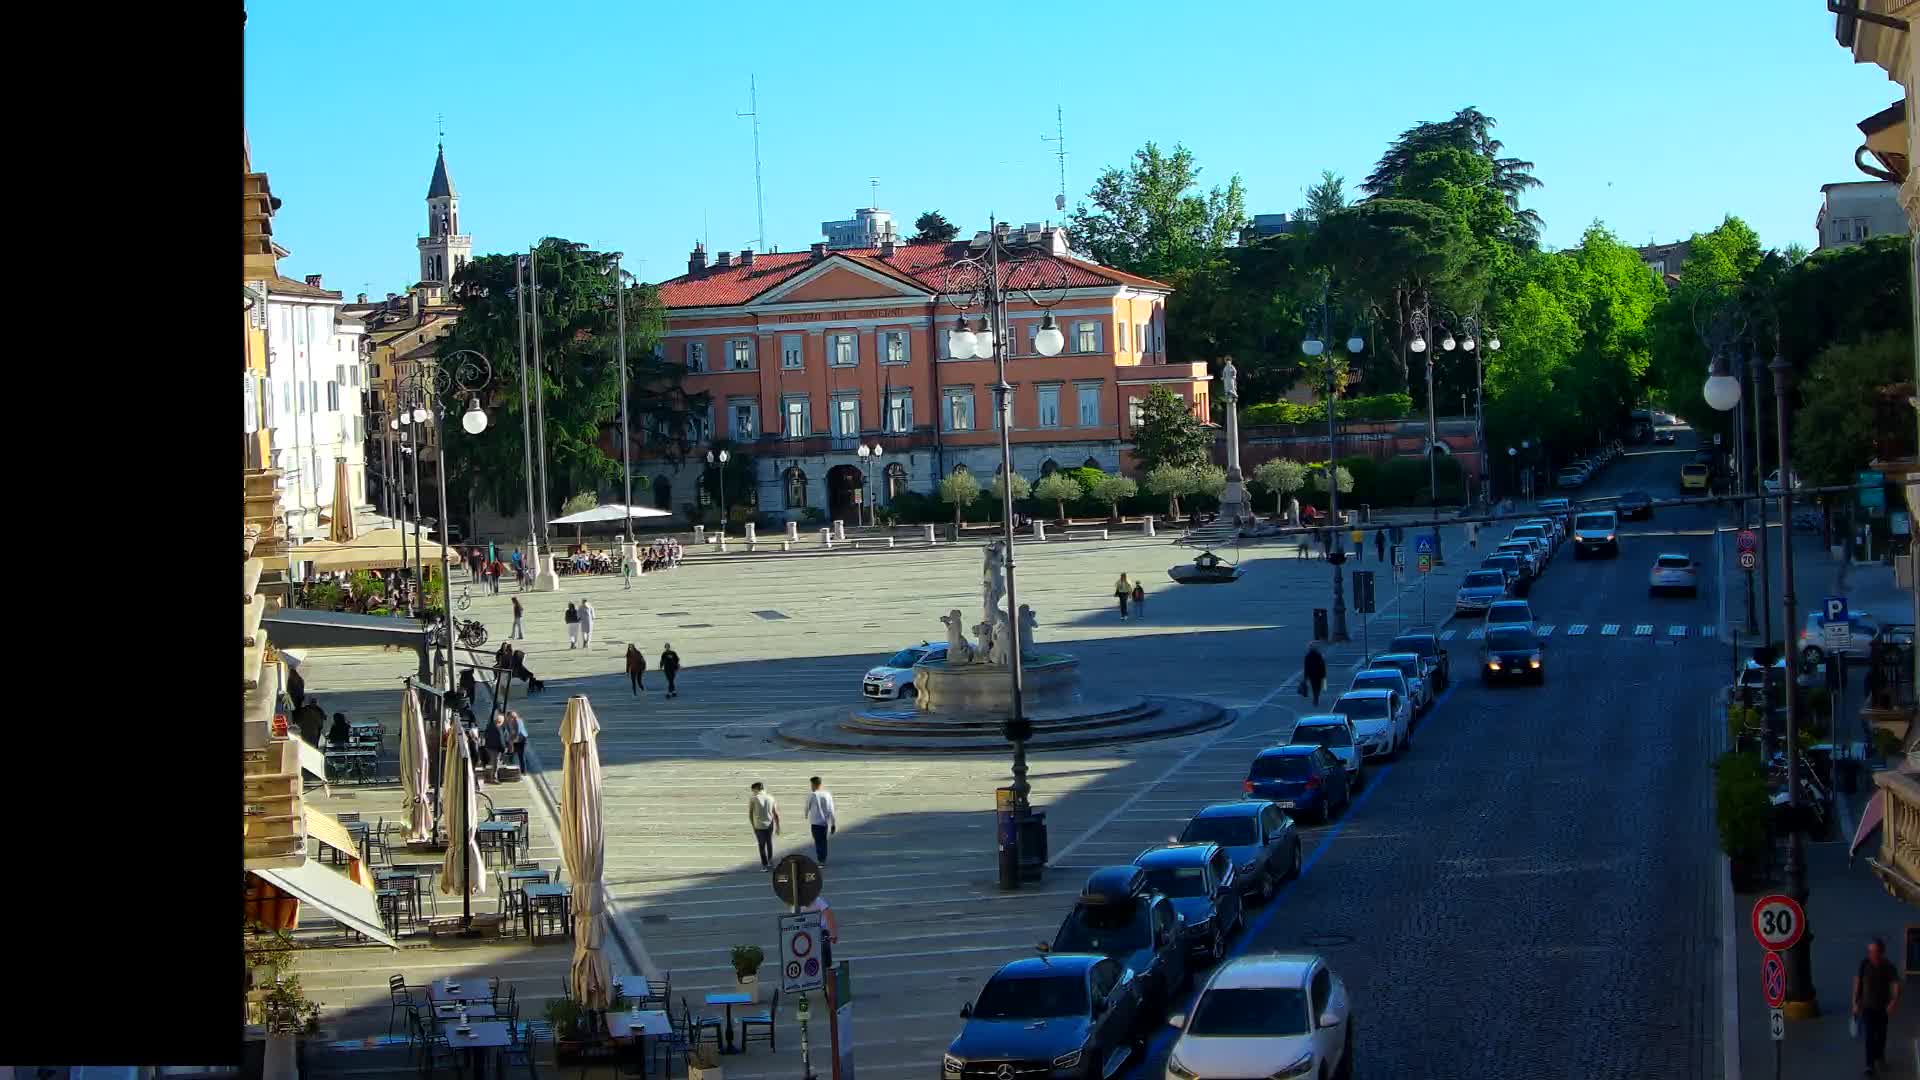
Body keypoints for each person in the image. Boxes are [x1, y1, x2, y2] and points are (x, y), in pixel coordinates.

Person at [1855, 935, 1901, 1075]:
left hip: (1882, 1007)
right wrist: (1855, 1002)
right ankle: (1869, 1065)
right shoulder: (1864, 964)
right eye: (1870, 951)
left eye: (1874, 951)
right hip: (1867, 1007)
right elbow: (1858, 982)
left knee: (1880, 1035)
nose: (1871, 954)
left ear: (1881, 952)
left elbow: (1896, 985)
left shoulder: (1888, 966)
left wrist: (1893, 1001)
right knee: (1869, 1036)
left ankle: (1879, 1055)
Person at [748, 781, 781, 870]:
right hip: (769, 824)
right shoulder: (771, 798)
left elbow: (750, 814)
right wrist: (778, 827)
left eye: (753, 790)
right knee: (769, 842)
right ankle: (770, 861)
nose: (753, 792)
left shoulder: (753, 799)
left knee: (761, 845)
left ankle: (765, 865)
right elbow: (776, 813)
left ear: (756, 789)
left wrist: (753, 825)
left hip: (758, 825)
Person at [805, 775, 837, 865]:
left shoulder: (812, 795)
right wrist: (833, 824)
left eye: (811, 785)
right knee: (823, 841)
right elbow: (831, 809)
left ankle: (820, 860)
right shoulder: (827, 794)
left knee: (818, 841)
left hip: (815, 822)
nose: (811, 787)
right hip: (824, 822)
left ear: (814, 785)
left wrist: (806, 814)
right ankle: (823, 858)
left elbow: (807, 806)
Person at [803, 893, 838, 969]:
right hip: (807, 934)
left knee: (825, 961)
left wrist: (833, 933)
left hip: (820, 933)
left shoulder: (817, 900)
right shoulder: (797, 905)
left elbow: (829, 914)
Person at [482, 711, 508, 782]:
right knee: (495, 763)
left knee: (493, 762)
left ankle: (490, 776)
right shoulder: (498, 729)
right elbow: (501, 740)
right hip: (495, 748)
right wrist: (504, 749)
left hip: (489, 747)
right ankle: (493, 778)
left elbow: (485, 735)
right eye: (502, 722)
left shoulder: (490, 726)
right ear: (499, 722)